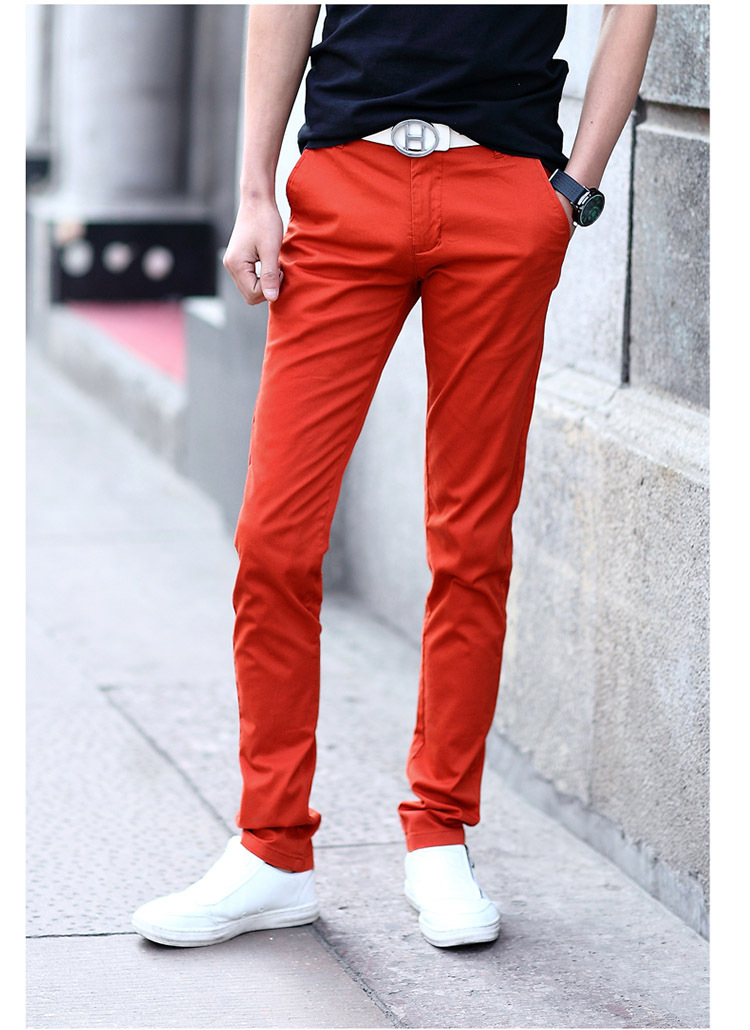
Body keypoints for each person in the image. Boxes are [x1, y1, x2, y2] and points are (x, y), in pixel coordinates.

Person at [132, 3, 657, 950]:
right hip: (346, 183)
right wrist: (255, 191)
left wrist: (575, 187)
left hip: (502, 190)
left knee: (470, 540)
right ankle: (271, 851)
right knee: (273, 539)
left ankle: (440, 832)